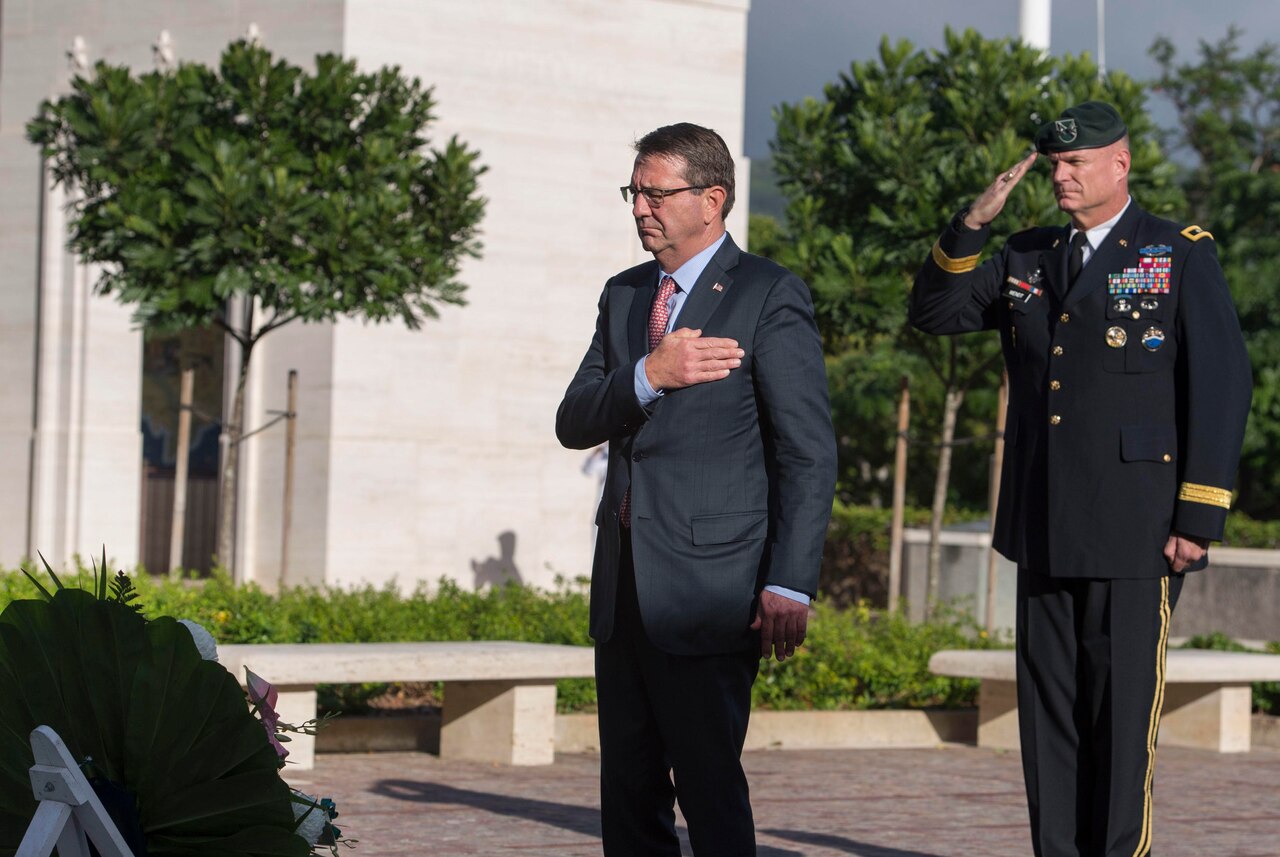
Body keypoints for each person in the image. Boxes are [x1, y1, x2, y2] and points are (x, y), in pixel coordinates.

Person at [910, 101, 1252, 857]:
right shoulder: (1027, 254)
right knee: (1050, 719)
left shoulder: (1177, 252)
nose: (1060, 175)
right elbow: (934, 312)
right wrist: (974, 221)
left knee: (1121, 719)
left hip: (1139, 528)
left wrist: (1198, 517)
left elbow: (1223, 383)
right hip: (1045, 521)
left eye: (1075, 163)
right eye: (1054, 164)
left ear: (1119, 165)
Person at [556, 122, 836, 856]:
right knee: (628, 793)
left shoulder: (767, 294)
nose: (641, 207)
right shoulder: (623, 297)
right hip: (623, 590)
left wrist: (791, 580)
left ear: (711, 200)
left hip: (713, 586)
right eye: (635, 192)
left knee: (709, 789)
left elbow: (806, 451)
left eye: (657, 193)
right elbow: (573, 419)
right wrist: (650, 374)